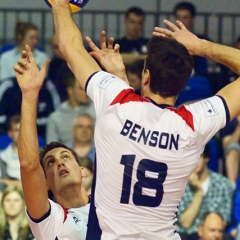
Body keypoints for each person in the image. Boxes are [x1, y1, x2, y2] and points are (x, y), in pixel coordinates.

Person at [20, 1, 240, 238]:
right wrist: (202, 46)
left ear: (145, 76)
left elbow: (68, 45)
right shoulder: (195, 122)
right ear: (183, 86)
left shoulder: (116, 99)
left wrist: (61, 4)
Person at [13, 48, 90, 239]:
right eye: (50, 163)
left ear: (82, 170)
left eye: (65, 157)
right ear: (45, 182)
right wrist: (29, 95)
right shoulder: (51, 219)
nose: (60, 163)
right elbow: (29, 166)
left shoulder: (106, 205)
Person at [176, 144, 234, 238]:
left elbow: (222, 222)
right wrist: (199, 192)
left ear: (206, 159)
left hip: (212, 236)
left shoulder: (223, 184)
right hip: (186, 236)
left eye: (197, 158)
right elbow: (185, 223)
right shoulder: (180, 185)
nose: (193, 163)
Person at [0, 75, 60, 140]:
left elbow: (56, 115)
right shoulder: (8, 86)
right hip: (8, 132)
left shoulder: (47, 86)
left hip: (40, 133)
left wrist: (33, 122)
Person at [46, 71, 95, 146]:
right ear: (70, 91)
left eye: (87, 88)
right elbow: (51, 147)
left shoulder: (97, 111)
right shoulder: (55, 118)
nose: (86, 92)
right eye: (81, 89)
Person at [173, 1, 209, 76]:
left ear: (192, 19)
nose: (181, 21)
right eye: (178, 17)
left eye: (185, 17)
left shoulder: (201, 40)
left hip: (196, 80)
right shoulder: (168, 41)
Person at [0, 115, 22, 189]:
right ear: (10, 133)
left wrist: (10, 182)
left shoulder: (40, 155)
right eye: (16, 130)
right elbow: (1, 182)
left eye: (23, 130)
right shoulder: (2, 156)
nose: (21, 134)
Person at [47, 32, 70, 102]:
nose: (60, 50)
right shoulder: (51, 65)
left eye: (62, 45)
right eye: (56, 47)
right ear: (51, 48)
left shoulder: (78, 63)